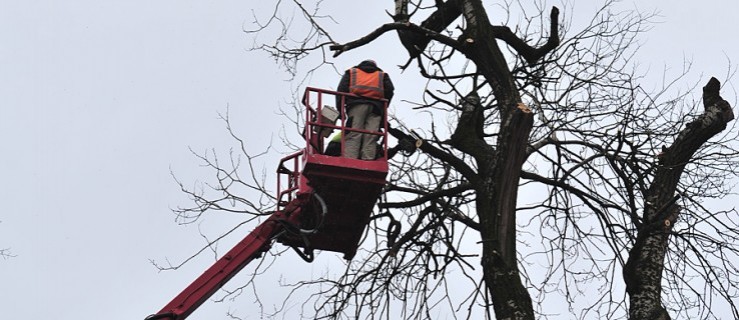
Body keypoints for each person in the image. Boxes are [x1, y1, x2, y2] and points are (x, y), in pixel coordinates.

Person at [336, 60, 394, 160]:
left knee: (354, 133)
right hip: (376, 108)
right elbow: (389, 91)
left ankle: (350, 160)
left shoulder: (351, 72)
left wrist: (340, 110)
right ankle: (367, 160)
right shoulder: (382, 75)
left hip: (356, 106)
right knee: (371, 135)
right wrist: (383, 109)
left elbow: (341, 90)